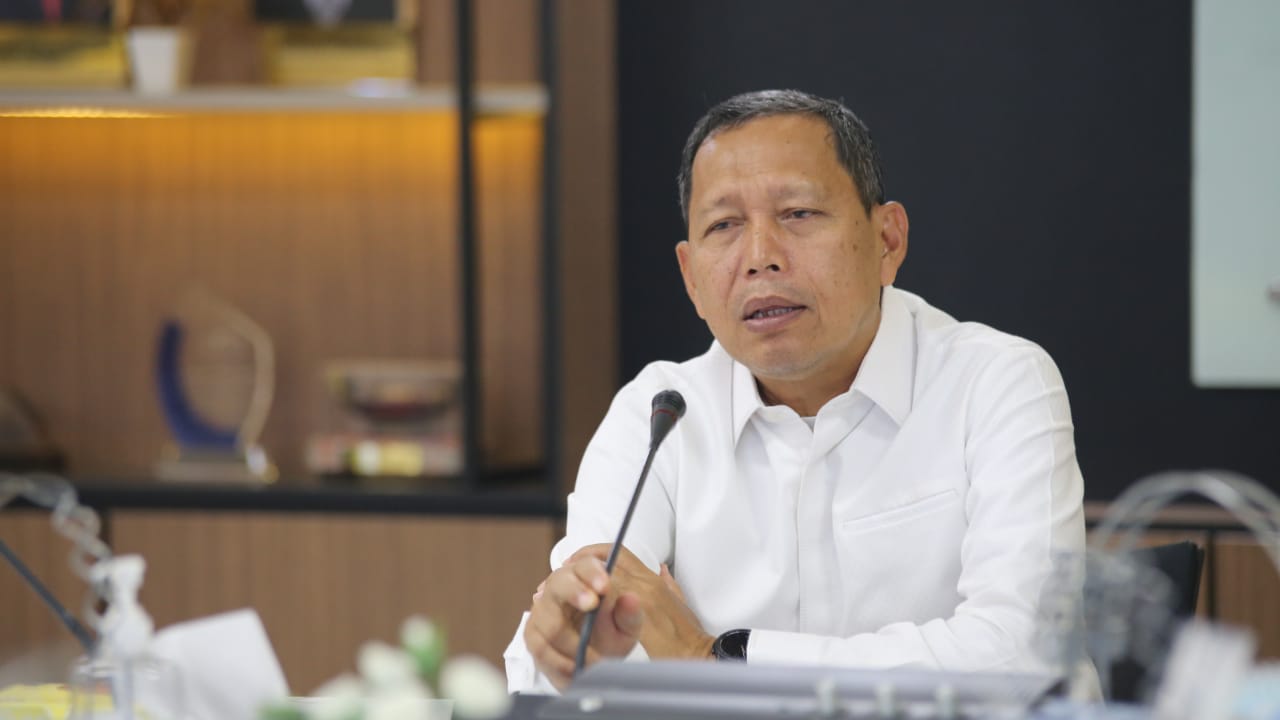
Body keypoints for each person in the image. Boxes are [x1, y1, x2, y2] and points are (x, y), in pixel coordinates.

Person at [504, 89, 1089, 694]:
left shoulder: (996, 382)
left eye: (798, 214)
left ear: (887, 241)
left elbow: (1024, 657)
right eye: (724, 225)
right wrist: (571, 641)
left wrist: (716, 662)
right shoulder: (659, 414)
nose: (760, 258)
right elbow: (550, 664)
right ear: (691, 278)